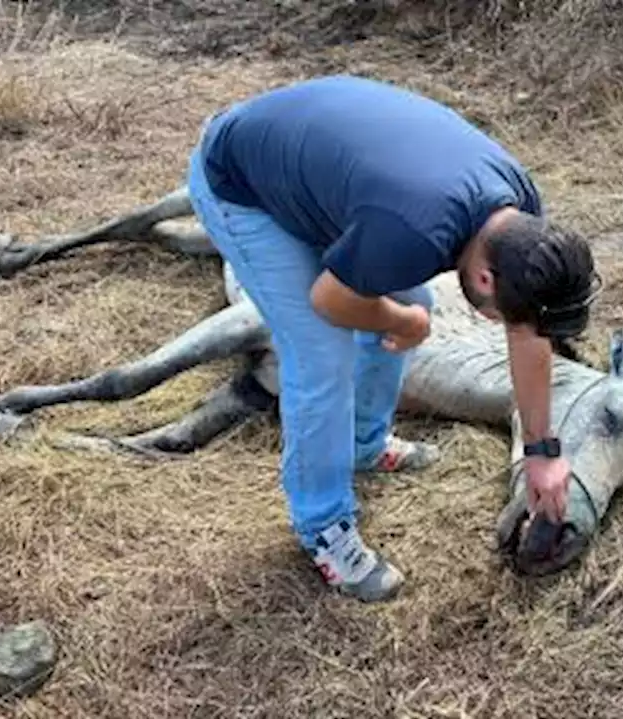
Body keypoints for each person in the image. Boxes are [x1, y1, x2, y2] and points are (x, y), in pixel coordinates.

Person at [185, 75, 600, 602]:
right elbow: (329, 300)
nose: (506, 327)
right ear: (486, 280)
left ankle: (364, 443)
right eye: (502, 317)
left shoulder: (518, 213)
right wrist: (402, 326)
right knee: (322, 351)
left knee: (415, 302)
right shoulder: (413, 233)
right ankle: (324, 528)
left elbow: (530, 335)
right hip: (239, 182)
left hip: (325, 164)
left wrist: (543, 452)